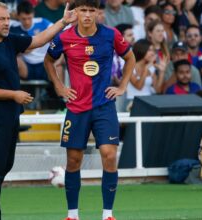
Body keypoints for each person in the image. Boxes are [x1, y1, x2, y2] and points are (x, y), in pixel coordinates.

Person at [0, 1, 76, 220]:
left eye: (7, 18)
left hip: (11, 114)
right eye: (1, 19)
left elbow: (38, 40)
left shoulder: (9, 40)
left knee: (5, 165)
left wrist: (63, 21)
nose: (6, 22)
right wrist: (13, 94)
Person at [44, 0, 135, 219]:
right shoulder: (64, 37)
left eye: (91, 10)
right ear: (76, 12)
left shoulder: (111, 34)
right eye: (83, 10)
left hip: (104, 107)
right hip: (76, 108)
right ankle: (72, 214)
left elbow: (130, 58)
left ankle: (108, 214)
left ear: (97, 12)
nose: (86, 15)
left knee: (109, 155)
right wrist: (59, 87)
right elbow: (48, 60)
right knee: (74, 161)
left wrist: (122, 86)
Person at [10, 0, 53, 80]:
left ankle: (56, 91)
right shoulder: (13, 28)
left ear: (33, 14)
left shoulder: (43, 22)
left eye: (29, 18)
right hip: (26, 66)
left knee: (58, 62)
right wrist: (38, 42)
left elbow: (58, 33)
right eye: (23, 19)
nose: (27, 22)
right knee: (13, 59)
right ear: (18, 16)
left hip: (44, 63)